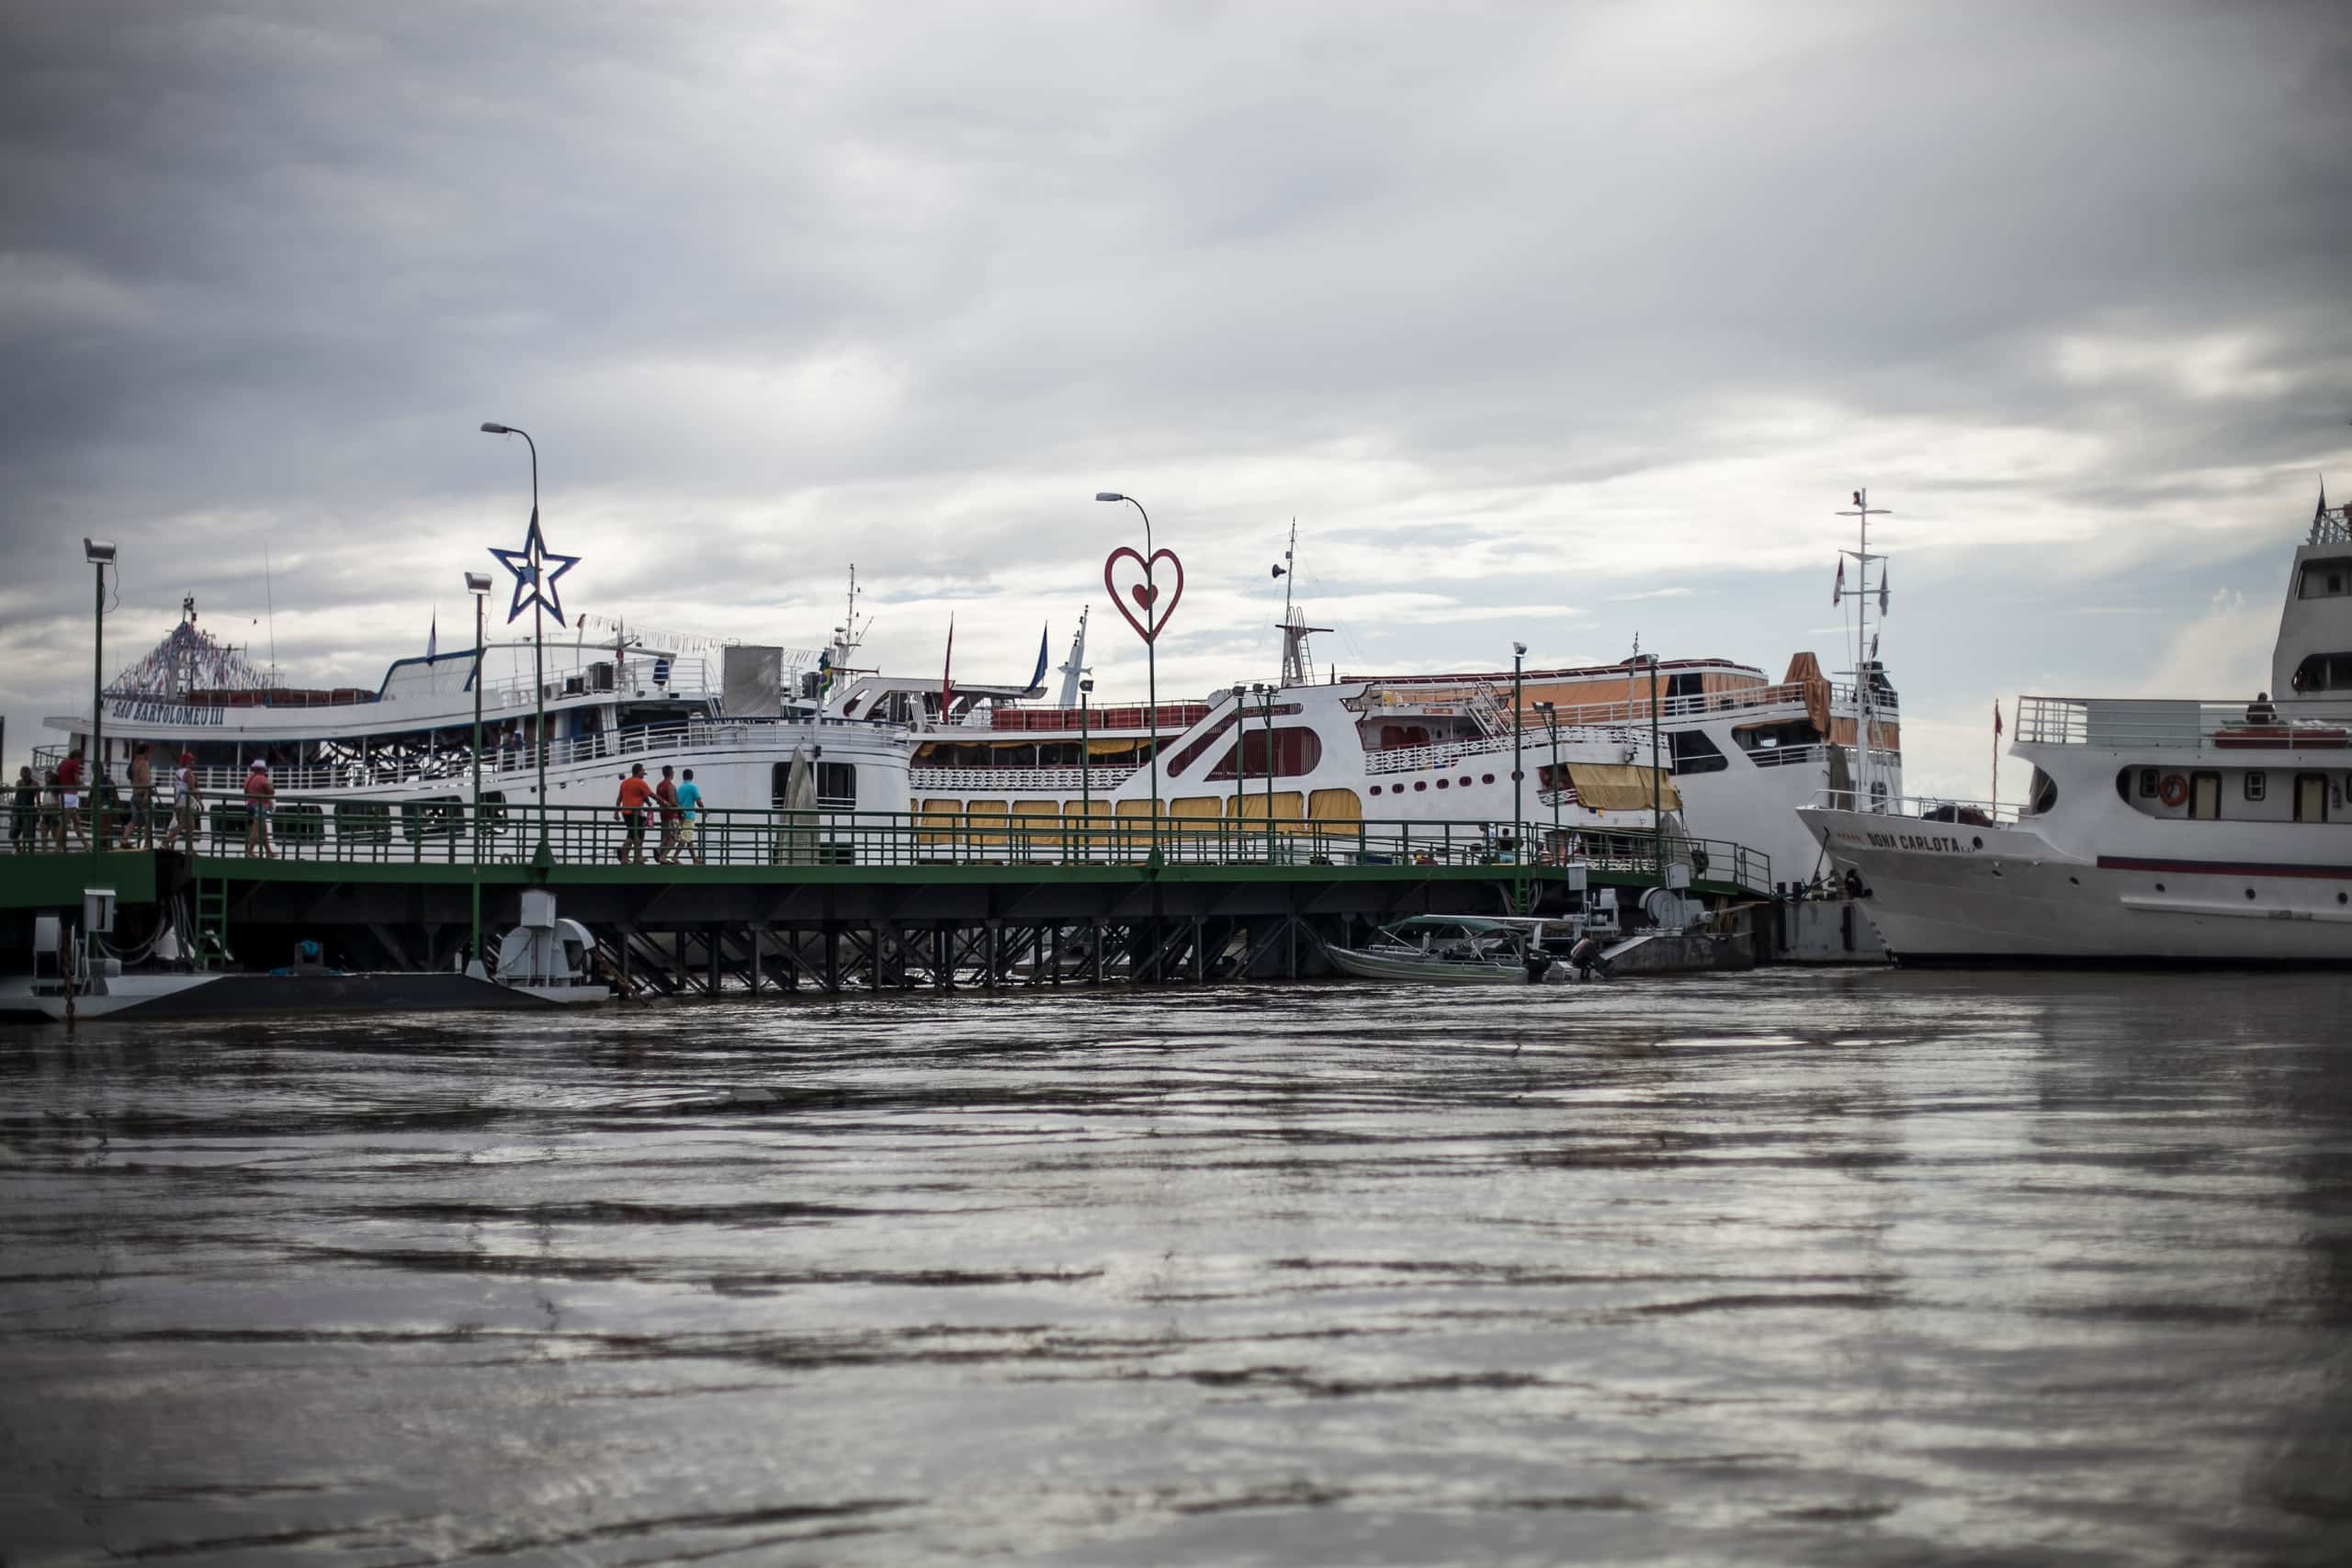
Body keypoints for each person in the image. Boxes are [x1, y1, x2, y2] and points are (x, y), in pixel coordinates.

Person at [616, 762, 655, 863]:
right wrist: (663, 802)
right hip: (634, 813)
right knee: (636, 836)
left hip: (627, 813)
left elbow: (620, 798)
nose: (644, 775)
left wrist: (616, 812)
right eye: (643, 772)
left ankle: (625, 855)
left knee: (631, 835)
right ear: (638, 771)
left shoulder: (625, 783)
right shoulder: (639, 782)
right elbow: (650, 794)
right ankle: (636, 857)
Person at [168, 751, 202, 854]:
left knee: (190, 826)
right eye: (192, 760)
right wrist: (200, 802)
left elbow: (175, 789)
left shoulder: (178, 772)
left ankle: (190, 849)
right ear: (189, 761)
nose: (193, 762)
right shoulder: (188, 773)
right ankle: (166, 841)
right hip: (186, 802)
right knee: (185, 824)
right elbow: (192, 789)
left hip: (179, 801)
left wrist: (175, 803)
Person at [123, 742, 154, 850]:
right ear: (146, 752)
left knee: (134, 820)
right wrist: (147, 794)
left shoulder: (134, 763)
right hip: (142, 795)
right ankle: (147, 845)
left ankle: (124, 839)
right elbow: (146, 780)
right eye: (149, 752)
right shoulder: (143, 763)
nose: (149, 754)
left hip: (135, 794)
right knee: (148, 822)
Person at [54, 747, 86, 851]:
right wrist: (81, 783)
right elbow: (77, 782)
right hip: (71, 795)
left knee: (76, 822)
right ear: (77, 757)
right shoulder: (74, 764)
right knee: (64, 822)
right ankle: (58, 847)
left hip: (64, 795)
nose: (81, 761)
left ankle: (87, 845)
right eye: (80, 759)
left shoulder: (63, 763)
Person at [243, 760, 276, 858]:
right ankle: (249, 852)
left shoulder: (248, 779)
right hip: (260, 807)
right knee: (256, 829)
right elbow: (271, 792)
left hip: (250, 805)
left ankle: (269, 852)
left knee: (263, 830)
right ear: (262, 769)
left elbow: (245, 791)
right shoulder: (263, 779)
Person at [653, 764, 683, 863]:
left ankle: (659, 849)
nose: (674, 773)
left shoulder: (659, 785)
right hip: (671, 815)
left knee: (667, 836)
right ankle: (663, 856)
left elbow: (659, 801)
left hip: (663, 814)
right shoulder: (670, 786)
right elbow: (673, 802)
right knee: (675, 837)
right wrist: (681, 809)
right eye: (673, 771)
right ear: (670, 773)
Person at [675, 767, 704, 864]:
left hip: (681, 816)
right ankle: (675, 857)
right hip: (689, 816)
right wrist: (704, 810)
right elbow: (699, 801)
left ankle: (694, 859)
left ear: (683, 777)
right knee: (685, 837)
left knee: (689, 839)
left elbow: (677, 803)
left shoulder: (679, 788)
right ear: (692, 776)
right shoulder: (693, 787)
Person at [9, 765, 35, 852]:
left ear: (29, 773)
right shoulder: (19, 782)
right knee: (12, 834)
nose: (24, 775)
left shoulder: (33, 783)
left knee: (29, 835)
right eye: (23, 772)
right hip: (17, 810)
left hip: (28, 811)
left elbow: (35, 792)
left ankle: (30, 853)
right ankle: (19, 849)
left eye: (26, 772)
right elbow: (17, 789)